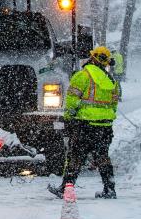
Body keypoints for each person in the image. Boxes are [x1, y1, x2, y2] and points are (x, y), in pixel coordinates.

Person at [48, 46, 121, 199]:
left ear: (93, 57)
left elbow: (72, 99)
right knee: (102, 157)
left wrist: (68, 117)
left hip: (85, 125)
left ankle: (65, 189)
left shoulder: (83, 75)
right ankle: (110, 188)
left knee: (75, 157)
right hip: (105, 126)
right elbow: (114, 104)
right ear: (106, 62)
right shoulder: (111, 80)